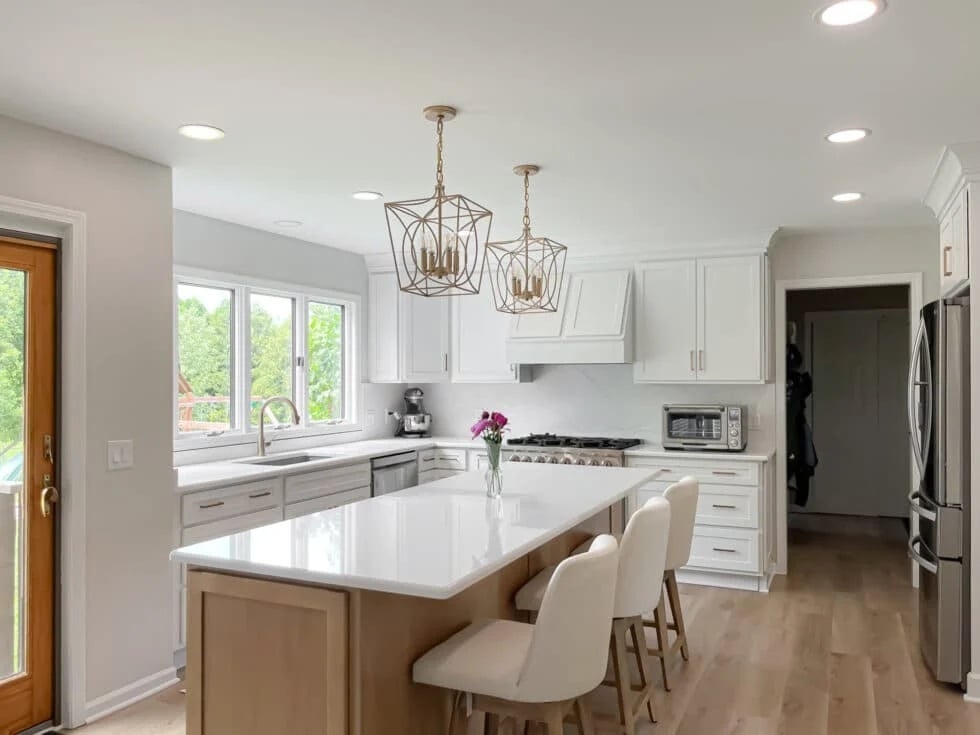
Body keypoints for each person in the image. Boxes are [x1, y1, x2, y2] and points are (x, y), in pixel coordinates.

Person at [786, 344, 817, 506]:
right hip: (789, 430)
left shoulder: (798, 381)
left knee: (800, 461)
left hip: (794, 429)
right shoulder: (797, 382)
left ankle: (799, 498)